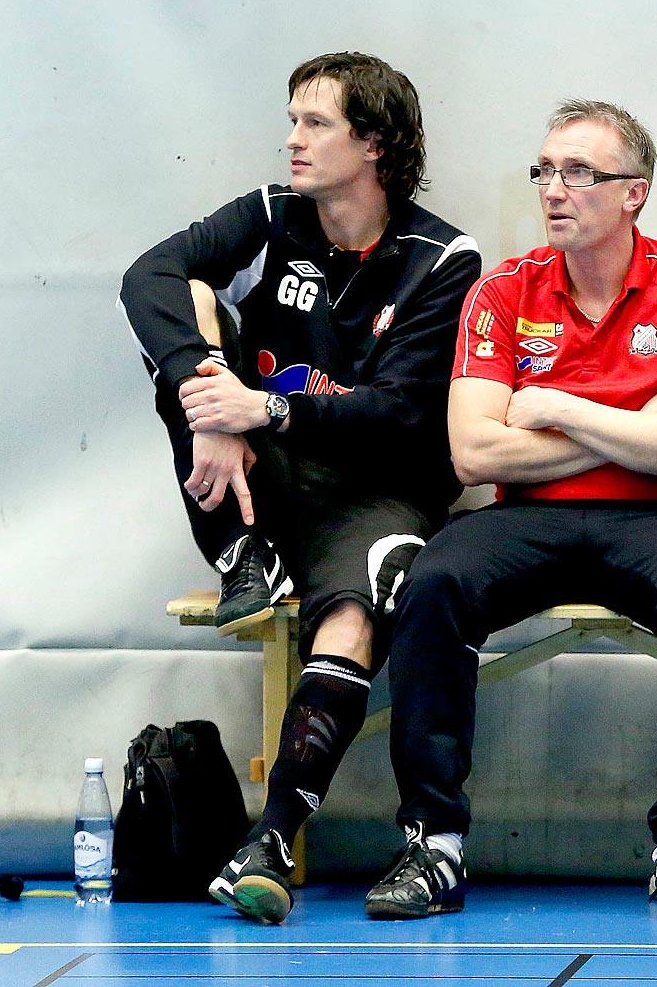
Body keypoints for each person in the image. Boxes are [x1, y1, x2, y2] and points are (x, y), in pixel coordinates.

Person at [362, 100, 657, 923]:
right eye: (543, 170)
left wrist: (553, 405)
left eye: (578, 172)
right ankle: (432, 844)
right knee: (431, 585)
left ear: (634, 192)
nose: (553, 189)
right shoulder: (501, 290)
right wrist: (640, 423)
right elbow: (476, 453)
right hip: (525, 516)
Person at [119, 52, 481, 923]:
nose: (293, 140)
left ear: (376, 144)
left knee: (354, 617)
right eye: (292, 120)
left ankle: (272, 838)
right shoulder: (270, 214)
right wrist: (212, 403)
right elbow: (149, 278)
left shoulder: (444, 258)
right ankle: (248, 552)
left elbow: (399, 415)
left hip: (380, 489)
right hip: (262, 467)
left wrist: (266, 412)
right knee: (192, 321)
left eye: (315, 123)